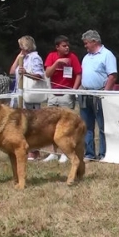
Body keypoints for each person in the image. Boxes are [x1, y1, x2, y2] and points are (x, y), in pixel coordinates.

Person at [79, 30, 117, 162]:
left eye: (86, 43)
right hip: (85, 94)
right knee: (86, 125)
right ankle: (89, 153)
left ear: (94, 41)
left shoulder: (107, 55)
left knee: (102, 126)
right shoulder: (86, 57)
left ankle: (103, 153)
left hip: (100, 94)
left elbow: (112, 76)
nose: (85, 46)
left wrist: (104, 93)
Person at [43, 35, 82, 163]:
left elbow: (78, 74)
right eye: (64, 46)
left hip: (66, 94)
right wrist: (58, 63)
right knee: (51, 125)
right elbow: (47, 74)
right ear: (57, 47)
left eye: (68, 46)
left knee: (66, 126)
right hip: (53, 93)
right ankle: (53, 152)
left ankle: (65, 152)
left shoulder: (73, 57)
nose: (67, 48)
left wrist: (74, 89)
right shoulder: (51, 56)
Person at [9, 35, 46, 161]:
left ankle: (34, 152)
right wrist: (19, 57)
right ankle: (23, 149)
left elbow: (39, 76)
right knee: (19, 123)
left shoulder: (35, 58)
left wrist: (27, 73)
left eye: (21, 46)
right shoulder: (22, 57)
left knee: (32, 124)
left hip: (31, 95)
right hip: (19, 95)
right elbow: (11, 71)